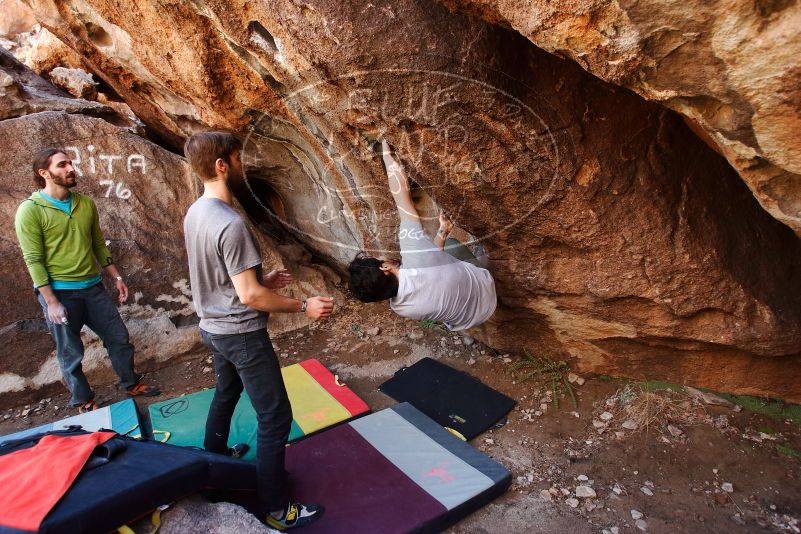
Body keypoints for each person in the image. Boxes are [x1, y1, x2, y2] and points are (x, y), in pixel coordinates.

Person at [183, 131, 333, 530]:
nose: (242, 165)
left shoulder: (196, 211)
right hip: (241, 335)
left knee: (227, 392)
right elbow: (250, 297)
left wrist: (262, 280)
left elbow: (226, 280)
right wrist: (303, 306)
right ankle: (277, 509)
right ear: (222, 166)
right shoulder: (230, 223)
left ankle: (214, 464)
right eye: (238, 159)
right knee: (275, 417)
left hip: (214, 328)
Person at [14, 148, 160, 414]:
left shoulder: (85, 203)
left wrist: (116, 277)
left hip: (93, 288)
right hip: (59, 292)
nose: (71, 168)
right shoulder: (30, 210)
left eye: (70, 163)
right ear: (44, 173)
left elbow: (98, 244)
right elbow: (33, 260)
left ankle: (131, 383)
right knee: (70, 352)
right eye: (62, 165)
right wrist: (51, 302)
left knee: (118, 337)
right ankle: (82, 399)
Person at [348, 140, 497, 331]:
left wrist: (442, 231)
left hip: (468, 320)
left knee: (443, 249)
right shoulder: (414, 252)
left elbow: (429, 266)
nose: (382, 256)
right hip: (487, 291)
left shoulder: (400, 308)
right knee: (451, 244)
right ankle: (484, 264)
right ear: (385, 268)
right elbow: (402, 199)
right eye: (379, 259)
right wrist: (386, 155)